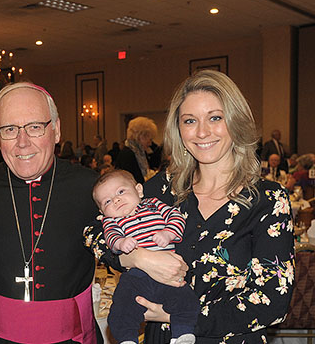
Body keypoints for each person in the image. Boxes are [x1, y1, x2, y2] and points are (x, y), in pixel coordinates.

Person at [0, 82, 186, 344]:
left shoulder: (92, 187)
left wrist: (140, 257)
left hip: (72, 338)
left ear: (56, 130)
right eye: (9, 129)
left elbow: (118, 239)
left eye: (34, 127)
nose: (22, 143)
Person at [138, 70, 294, 343]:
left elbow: (273, 301)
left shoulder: (267, 200)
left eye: (215, 118)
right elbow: (98, 230)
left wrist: (181, 317)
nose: (201, 132)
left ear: (235, 122)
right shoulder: (164, 189)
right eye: (190, 121)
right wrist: (135, 257)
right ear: (179, 129)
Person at [91, 170, 198, 344]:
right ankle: (127, 339)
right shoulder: (111, 221)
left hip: (168, 274)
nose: (116, 200)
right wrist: (120, 243)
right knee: (122, 306)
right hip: (136, 277)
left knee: (185, 300)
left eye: (120, 192)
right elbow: (110, 237)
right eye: (107, 201)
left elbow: (176, 217)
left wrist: (168, 233)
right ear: (102, 210)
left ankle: (182, 335)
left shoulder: (154, 204)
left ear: (139, 190)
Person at [115, 116, 158, 184]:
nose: (150, 144)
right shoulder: (127, 155)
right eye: (149, 140)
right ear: (140, 136)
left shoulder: (141, 153)